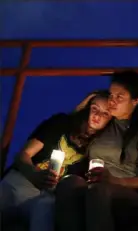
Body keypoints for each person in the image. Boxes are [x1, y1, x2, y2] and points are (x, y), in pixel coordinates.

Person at [55, 70, 138, 231]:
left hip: (130, 192)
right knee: (69, 182)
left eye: (119, 97)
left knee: (99, 190)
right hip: (95, 184)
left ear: (136, 100)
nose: (112, 101)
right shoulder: (103, 123)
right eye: (111, 95)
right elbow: (72, 122)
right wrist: (89, 99)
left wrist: (114, 181)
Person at [0, 91, 112, 231]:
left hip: (48, 195)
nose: (97, 116)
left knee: (45, 211)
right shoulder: (62, 123)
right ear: (87, 107)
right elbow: (23, 155)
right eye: (94, 108)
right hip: (21, 181)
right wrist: (34, 174)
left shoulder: (99, 148)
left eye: (105, 113)